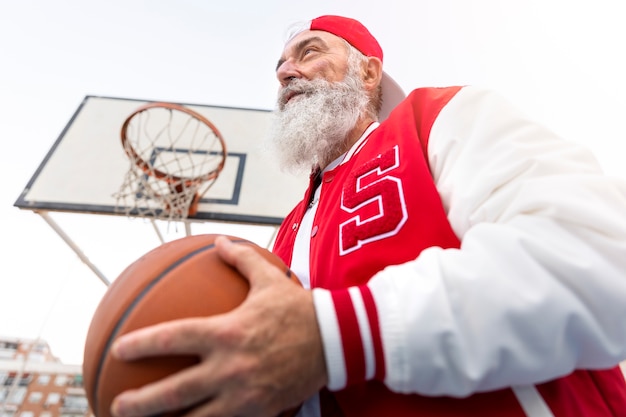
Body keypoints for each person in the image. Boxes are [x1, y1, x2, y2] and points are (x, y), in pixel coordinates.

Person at [109, 15, 626, 417]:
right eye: (280, 67)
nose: (286, 71)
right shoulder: (285, 234)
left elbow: (597, 254)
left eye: (308, 53)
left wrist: (335, 335)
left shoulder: (438, 119)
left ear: (369, 70)